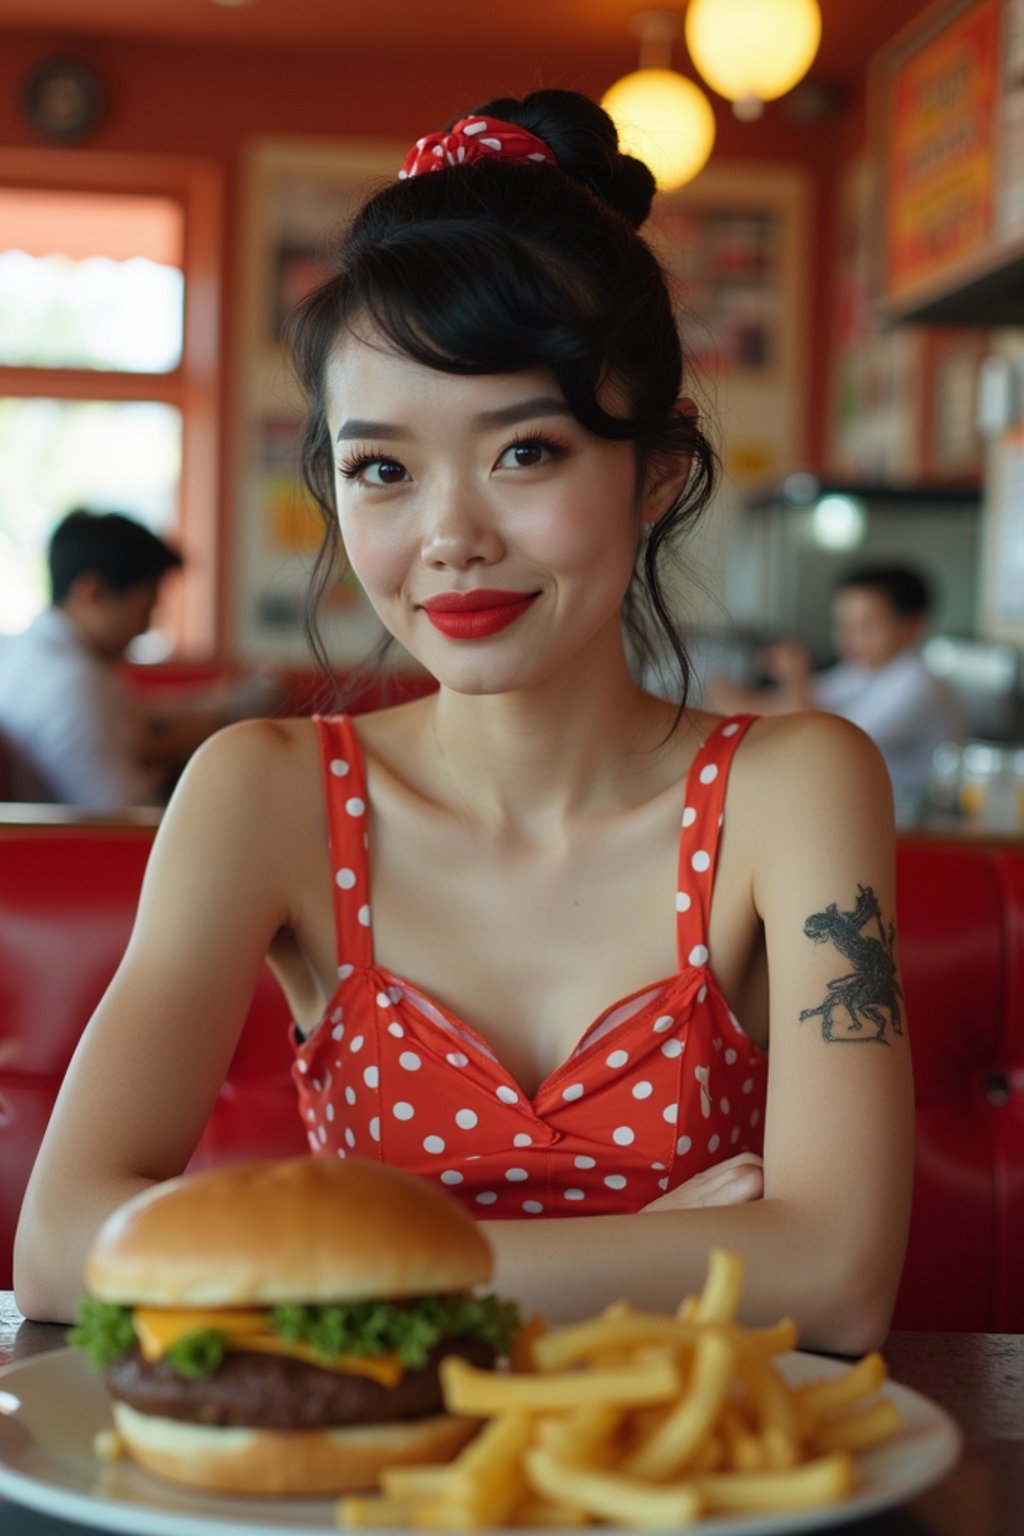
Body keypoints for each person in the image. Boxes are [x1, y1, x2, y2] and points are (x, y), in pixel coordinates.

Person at [14, 91, 913, 1353]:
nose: (449, 538)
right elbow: (57, 1250)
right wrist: (684, 1249)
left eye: (526, 451)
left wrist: (347, 1249)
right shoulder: (264, 791)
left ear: (657, 471)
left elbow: (834, 1274)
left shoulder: (793, 785)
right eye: (381, 467)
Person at [0, 509, 271, 809]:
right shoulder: (73, 683)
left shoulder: (28, 651)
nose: (147, 627)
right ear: (93, 592)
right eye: (145, 610)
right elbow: (122, 817)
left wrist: (223, 703)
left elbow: (143, 709)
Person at [708, 564, 963, 823]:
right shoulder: (860, 672)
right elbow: (787, 710)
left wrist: (795, 679)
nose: (849, 639)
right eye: (844, 625)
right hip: (864, 815)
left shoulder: (919, 685)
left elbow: (820, 738)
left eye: (867, 627)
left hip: (910, 827)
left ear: (913, 625)